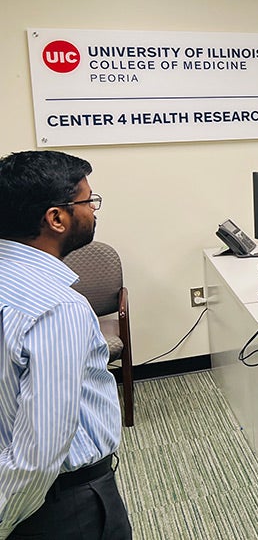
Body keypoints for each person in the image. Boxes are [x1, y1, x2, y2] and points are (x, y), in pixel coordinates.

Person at [0, 150, 132, 539]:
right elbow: (40, 454)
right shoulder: (57, 309)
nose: (93, 209)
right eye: (87, 201)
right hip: (62, 507)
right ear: (56, 218)